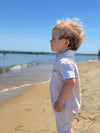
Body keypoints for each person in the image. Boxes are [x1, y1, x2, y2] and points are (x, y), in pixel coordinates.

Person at [50, 19, 85, 133]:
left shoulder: (64, 62)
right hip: (67, 104)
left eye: (54, 38)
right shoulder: (66, 60)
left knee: (63, 129)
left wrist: (59, 101)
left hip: (65, 105)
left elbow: (70, 82)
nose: (50, 40)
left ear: (66, 42)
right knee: (66, 127)